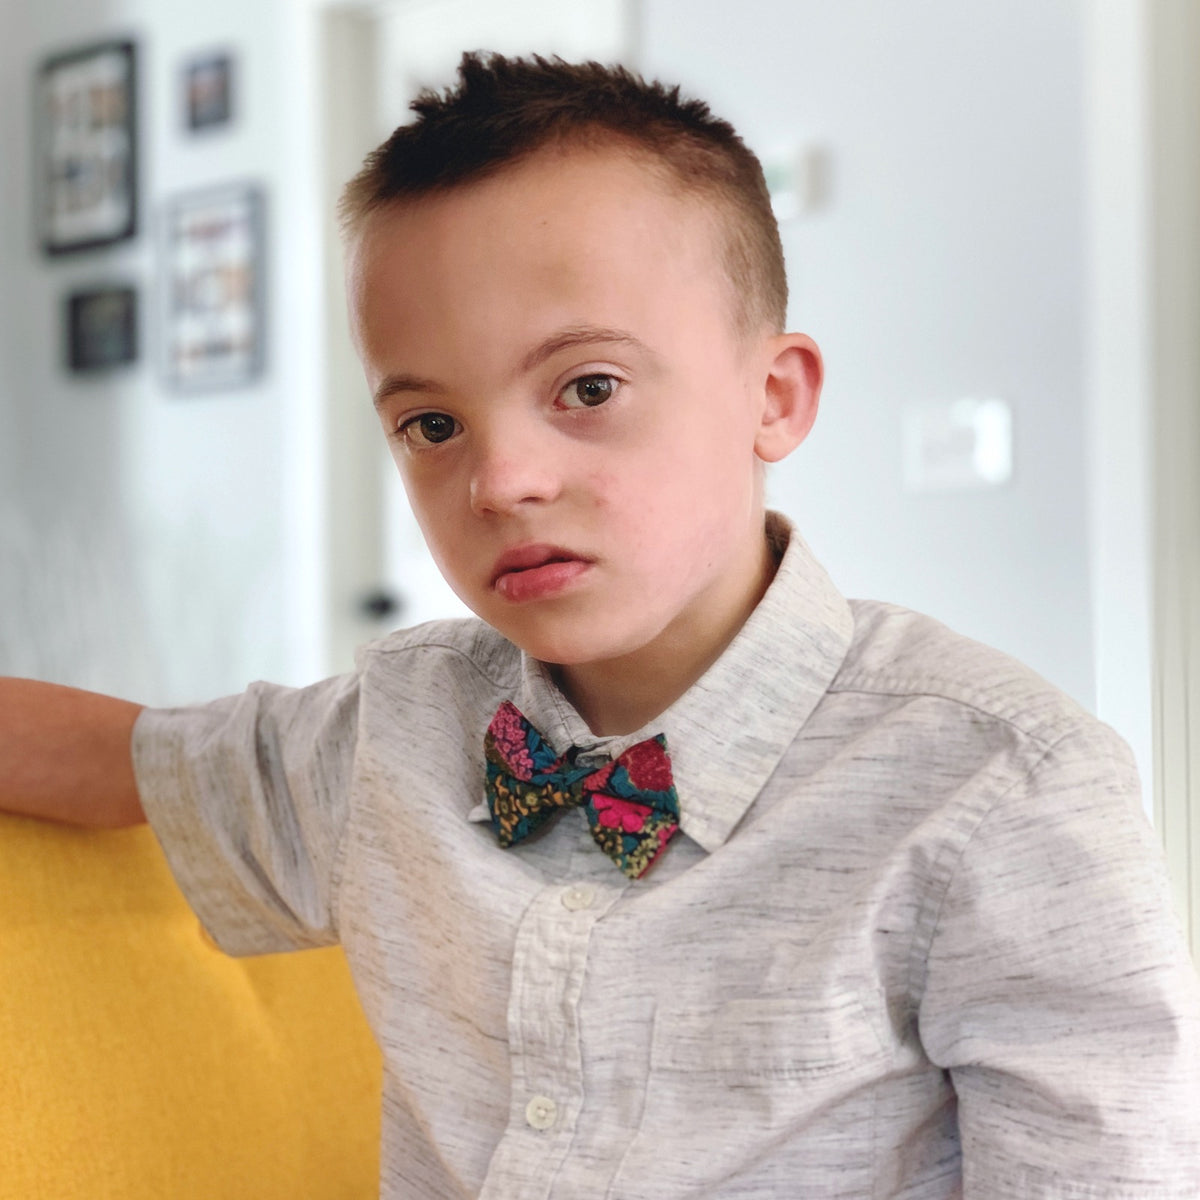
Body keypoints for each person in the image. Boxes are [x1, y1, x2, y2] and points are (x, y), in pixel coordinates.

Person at [3, 52, 1198, 1199]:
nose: (501, 481)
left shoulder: (1004, 789)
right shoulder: (392, 732)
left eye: (588, 388)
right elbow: (124, 762)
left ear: (773, 396)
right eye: (431, 426)